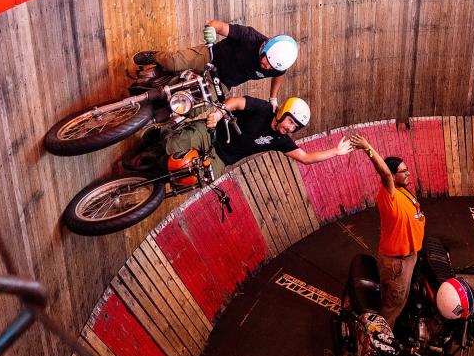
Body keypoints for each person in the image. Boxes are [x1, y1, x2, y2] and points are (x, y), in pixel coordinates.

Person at [165, 95, 352, 177]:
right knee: (174, 146)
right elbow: (236, 102)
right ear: (283, 113)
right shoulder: (263, 109)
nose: (290, 128)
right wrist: (218, 114)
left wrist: (335, 152)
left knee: (189, 178)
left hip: (220, 158)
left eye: (295, 127)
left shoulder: (280, 140)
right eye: (290, 121)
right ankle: (161, 133)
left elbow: (305, 158)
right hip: (211, 133)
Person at [350, 134, 425, 327]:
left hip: (408, 257)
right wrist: (368, 148)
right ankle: (378, 339)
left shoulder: (403, 191)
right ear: (392, 176)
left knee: (397, 298)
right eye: (403, 171)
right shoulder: (388, 194)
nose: (408, 173)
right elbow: (383, 173)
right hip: (397, 264)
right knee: (393, 304)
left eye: (407, 169)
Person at [133, 19, 297, 104]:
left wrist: (273, 98)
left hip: (223, 82)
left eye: (271, 67)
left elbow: (280, 74)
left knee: (195, 106)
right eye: (267, 61)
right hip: (212, 57)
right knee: (173, 62)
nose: (267, 67)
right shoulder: (249, 36)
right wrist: (211, 29)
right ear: (265, 47)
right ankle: (155, 56)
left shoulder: (276, 65)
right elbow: (217, 25)